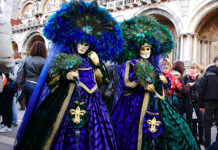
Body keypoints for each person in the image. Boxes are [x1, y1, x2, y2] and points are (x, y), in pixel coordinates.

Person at [14, 1, 123, 149]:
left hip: (93, 104)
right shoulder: (64, 56)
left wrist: (97, 63)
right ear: (74, 42)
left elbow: (103, 80)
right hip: (65, 99)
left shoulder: (92, 58)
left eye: (86, 44)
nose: (82, 47)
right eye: (80, 43)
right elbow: (51, 77)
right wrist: (65, 76)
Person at [111, 16, 199, 150]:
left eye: (148, 49)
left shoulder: (154, 66)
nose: (146, 52)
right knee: (133, 133)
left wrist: (164, 81)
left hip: (155, 103)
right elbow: (125, 83)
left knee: (170, 130)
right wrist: (142, 85)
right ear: (138, 50)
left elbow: (163, 86)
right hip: (133, 105)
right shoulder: (131, 63)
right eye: (143, 49)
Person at [199, 56, 218, 148]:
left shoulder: (208, 73)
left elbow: (202, 88)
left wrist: (201, 104)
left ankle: (207, 145)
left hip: (209, 101)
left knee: (207, 123)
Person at [184, 63, 204, 144]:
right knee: (192, 121)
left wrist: (194, 84)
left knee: (201, 120)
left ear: (197, 69)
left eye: (193, 68)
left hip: (198, 103)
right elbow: (185, 85)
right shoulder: (186, 77)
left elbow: (201, 87)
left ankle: (201, 139)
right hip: (189, 102)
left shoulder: (200, 78)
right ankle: (194, 138)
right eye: (191, 68)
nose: (192, 70)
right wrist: (188, 84)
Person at [22, 41, 47, 107]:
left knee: (28, 107)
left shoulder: (26, 59)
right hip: (36, 84)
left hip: (26, 84)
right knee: (34, 108)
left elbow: (21, 72)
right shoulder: (44, 61)